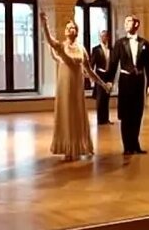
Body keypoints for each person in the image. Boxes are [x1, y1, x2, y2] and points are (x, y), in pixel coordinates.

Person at [40, 12, 110, 161]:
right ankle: (67, 149)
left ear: (77, 31)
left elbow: (90, 71)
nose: (70, 29)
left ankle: (80, 146)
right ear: (65, 32)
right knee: (66, 115)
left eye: (73, 27)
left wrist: (103, 84)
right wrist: (44, 24)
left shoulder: (81, 49)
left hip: (77, 87)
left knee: (77, 115)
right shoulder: (61, 46)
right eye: (68, 28)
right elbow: (50, 40)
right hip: (64, 86)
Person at [106, 15, 149, 156]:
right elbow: (113, 63)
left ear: (136, 24)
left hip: (139, 81)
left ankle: (135, 144)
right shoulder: (120, 43)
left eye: (129, 21)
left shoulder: (144, 43)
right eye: (125, 21)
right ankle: (127, 146)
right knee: (126, 114)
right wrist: (110, 81)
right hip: (125, 81)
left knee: (137, 113)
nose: (126, 24)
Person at [90, 30, 113, 125]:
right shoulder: (96, 49)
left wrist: (111, 79)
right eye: (102, 36)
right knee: (100, 98)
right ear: (100, 37)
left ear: (108, 37)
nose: (104, 38)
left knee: (106, 97)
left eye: (105, 36)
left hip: (108, 75)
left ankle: (106, 119)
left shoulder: (111, 49)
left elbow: (112, 64)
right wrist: (91, 76)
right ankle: (100, 120)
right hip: (99, 75)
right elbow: (92, 63)